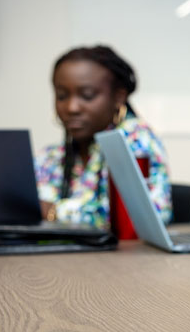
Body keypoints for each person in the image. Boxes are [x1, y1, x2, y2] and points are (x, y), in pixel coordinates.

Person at [36, 45, 172, 230]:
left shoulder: (135, 140)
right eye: (62, 96)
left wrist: (53, 212)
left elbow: (149, 215)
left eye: (87, 95)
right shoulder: (51, 156)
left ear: (118, 97)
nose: (71, 108)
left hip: (125, 258)